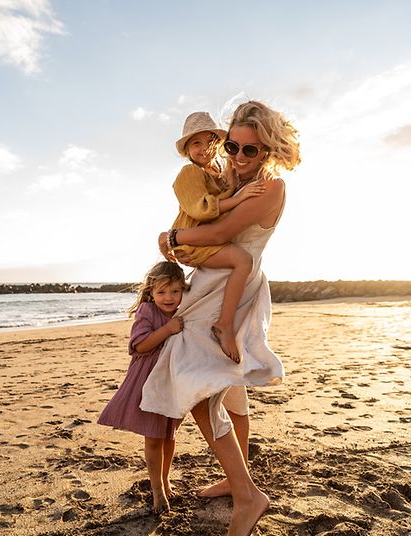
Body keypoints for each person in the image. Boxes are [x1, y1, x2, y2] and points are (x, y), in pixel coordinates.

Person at [141, 100, 300, 536]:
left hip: (231, 285)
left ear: (268, 150)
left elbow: (216, 234)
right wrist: (182, 237)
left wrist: (171, 236)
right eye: (233, 147)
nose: (240, 158)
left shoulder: (271, 188)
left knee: (197, 384)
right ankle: (237, 480)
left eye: (252, 150)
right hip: (211, 280)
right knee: (226, 386)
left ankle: (249, 496)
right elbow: (204, 208)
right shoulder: (229, 178)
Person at [171, 111, 266, 363]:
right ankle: (224, 324)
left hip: (207, 239)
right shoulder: (188, 174)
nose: (204, 149)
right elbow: (201, 208)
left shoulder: (216, 172)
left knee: (242, 262)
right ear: (187, 150)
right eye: (196, 143)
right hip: (194, 240)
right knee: (243, 261)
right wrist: (240, 197)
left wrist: (233, 182)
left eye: (210, 141)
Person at [97, 261, 187, 514]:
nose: (168, 298)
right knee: (153, 437)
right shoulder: (148, 312)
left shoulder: (185, 311)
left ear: (183, 290)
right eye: (161, 292)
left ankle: (165, 479)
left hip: (172, 382)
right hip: (148, 382)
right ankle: (156, 489)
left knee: (169, 435)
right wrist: (168, 330)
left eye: (175, 291)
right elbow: (139, 346)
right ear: (150, 293)